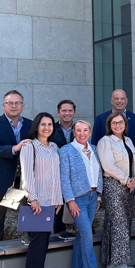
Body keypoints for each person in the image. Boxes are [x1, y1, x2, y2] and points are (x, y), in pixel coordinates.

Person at [59, 120, 107, 268]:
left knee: (82, 234)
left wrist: (99, 196)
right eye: (78, 130)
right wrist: (70, 201)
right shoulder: (66, 151)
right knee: (87, 234)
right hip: (77, 199)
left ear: (90, 131)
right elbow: (64, 179)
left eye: (85, 130)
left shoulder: (93, 149)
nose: (82, 133)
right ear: (73, 132)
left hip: (93, 197)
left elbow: (98, 173)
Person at [20, 113, 64, 268]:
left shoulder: (54, 147)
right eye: (43, 124)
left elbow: (57, 175)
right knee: (37, 241)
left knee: (45, 241)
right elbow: (27, 175)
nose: (47, 127)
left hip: (51, 202)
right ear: (36, 126)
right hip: (37, 202)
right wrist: (33, 198)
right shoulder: (29, 146)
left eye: (50, 124)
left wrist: (58, 198)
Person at [0, 90, 33, 242]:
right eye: (9, 103)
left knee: (28, 216)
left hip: (23, 180)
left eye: (17, 103)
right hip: (0, 178)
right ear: (4, 106)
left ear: (22, 106)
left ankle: (29, 245)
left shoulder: (31, 125)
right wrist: (15, 148)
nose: (13, 106)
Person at [96, 112, 135, 268]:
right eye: (114, 123)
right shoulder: (105, 141)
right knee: (119, 223)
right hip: (114, 185)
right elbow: (108, 166)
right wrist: (126, 179)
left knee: (121, 222)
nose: (117, 125)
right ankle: (119, 264)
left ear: (125, 124)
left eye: (120, 122)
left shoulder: (128, 141)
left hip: (129, 185)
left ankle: (111, 263)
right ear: (109, 125)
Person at [52, 99, 77, 237]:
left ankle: (75, 232)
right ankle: (58, 235)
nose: (67, 113)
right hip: (56, 173)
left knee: (76, 204)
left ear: (74, 112)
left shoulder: (80, 128)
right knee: (58, 206)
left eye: (70, 110)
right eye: (64, 111)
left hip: (76, 175)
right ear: (58, 112)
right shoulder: (52, 129)